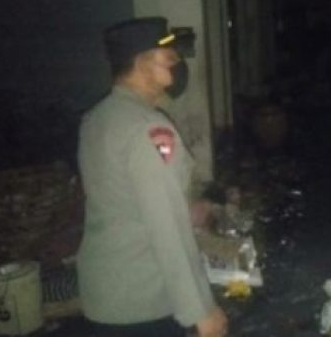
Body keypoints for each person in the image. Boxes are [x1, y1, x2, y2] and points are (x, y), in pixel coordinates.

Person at [77, 17, 227, 337]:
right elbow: (166, 226)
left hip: (105, 291)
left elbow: (122, 198)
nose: (176, 62)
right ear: (142, 62)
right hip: (141, 297)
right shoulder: (148, 128)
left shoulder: (97, 117)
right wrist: (200, 309)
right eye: (168, 56)